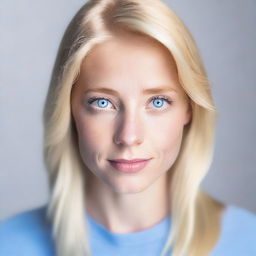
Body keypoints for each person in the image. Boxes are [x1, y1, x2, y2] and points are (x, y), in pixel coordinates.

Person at [0, 0, 256, 255]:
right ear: (69, 109)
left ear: (190, 109)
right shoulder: (9, 245)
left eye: (157, 102)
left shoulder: (248, 242)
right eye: (103, 103)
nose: (129, 136)